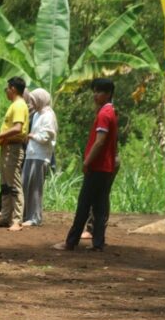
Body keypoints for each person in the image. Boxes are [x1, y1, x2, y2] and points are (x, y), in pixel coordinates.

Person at [54, 78, 118, 251]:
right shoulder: (111, 112)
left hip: (97, 167)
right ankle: (98, 242)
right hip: (106, 167)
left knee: (84, 205)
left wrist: (87, 161)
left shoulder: (104, 115)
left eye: (99, 92)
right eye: (94, 91)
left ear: (108, 94)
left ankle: (71, 241)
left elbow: (100, 141)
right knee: (99, 206)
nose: (95, 95)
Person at [0, 76, 29, 232]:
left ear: (13, 89)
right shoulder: (15, 105)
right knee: (6, 185)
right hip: (8, 148)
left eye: (7, 88)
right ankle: (5, 217)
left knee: (14, 185)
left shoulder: (19, 105)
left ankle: (17, 220)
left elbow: (18, 128)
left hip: (13, 148)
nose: (6, 91)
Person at [22, 88, 58, 226]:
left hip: (41, 155)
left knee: (35, 188)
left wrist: (32, 136)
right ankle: (25, 215)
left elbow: (47, 136)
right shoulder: (37, 114)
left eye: (33, 100)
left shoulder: (48, 115)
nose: (31, 103)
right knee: (25, 184)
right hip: (31, 153)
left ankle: (35, 218)